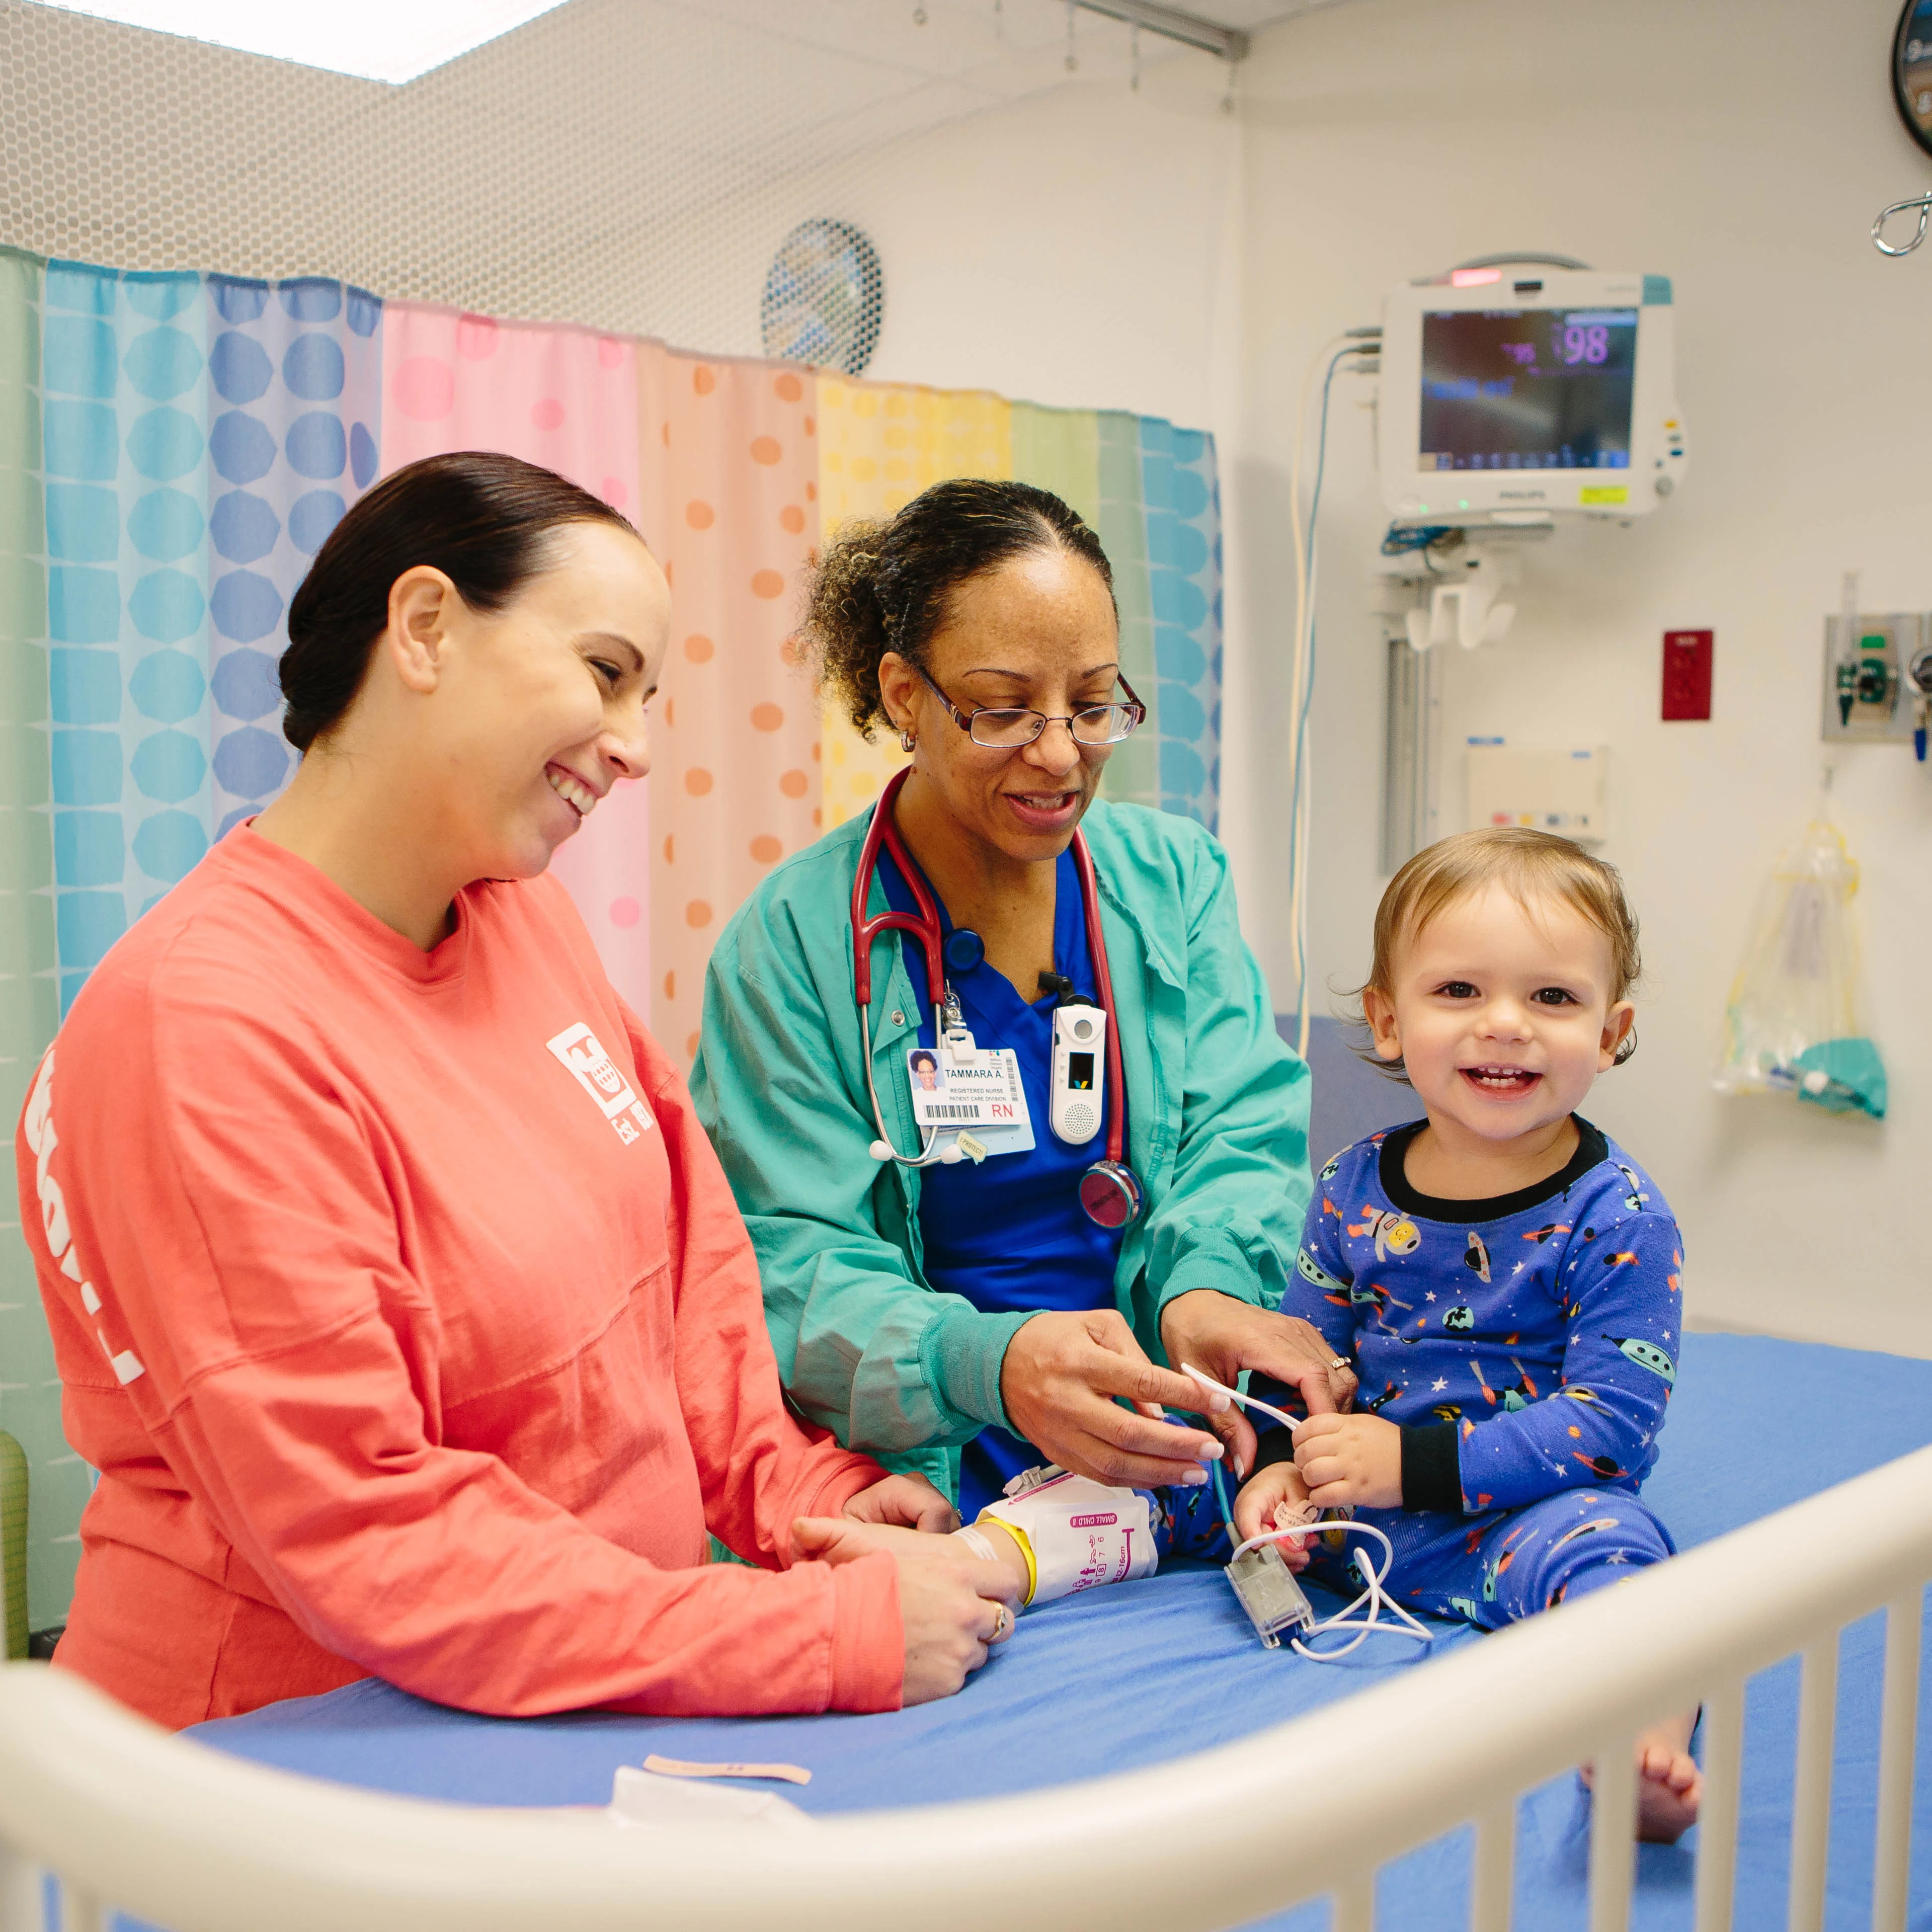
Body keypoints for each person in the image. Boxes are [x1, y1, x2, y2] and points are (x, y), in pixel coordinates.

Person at [15, 452, 1017, 1732]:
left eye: (650, 695)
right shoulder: (201, 1026)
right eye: (606, 673)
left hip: (570, 1699)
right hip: (294, 1760)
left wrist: (798, 1495)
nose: (638, 748)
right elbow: (370, 1533)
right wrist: (813, 1634)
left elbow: (684, 1273)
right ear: (425, 626)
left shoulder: (519, 923)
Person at [692, 478, 1350, 1533]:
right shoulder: (797, 942)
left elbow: (1242, 1126)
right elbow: (786, 1257)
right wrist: (986, 1364)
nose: (1059, 754)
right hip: (931, 1476)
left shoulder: (1171, 882)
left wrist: (1206, 1290)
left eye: (1093, 705)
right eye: (1004, 709)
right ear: (905, 695)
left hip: (1172, 1447)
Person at [1231, 828, 1702, 1840]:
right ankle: (1008, 1558)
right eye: (1459, 993)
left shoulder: (1618, 1216)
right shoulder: (1351, 1182)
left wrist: (1418, 1466)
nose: (1505, 1026)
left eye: (1553, 998)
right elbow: (1306, 1357)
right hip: (1346, 1506)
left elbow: (1611, 1424)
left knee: (1621, 1558)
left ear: (1612, 1030)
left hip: (1519, 1516)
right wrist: (1274, 1465)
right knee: (1181, 1447)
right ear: (1388, 1019)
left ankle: (1646, 1741)